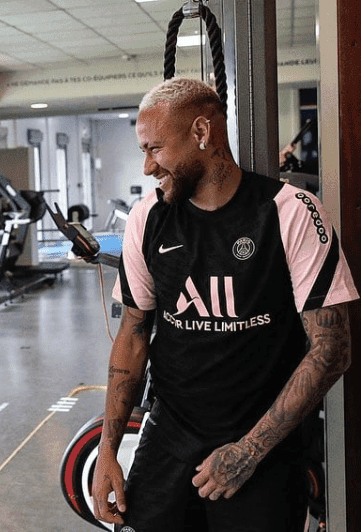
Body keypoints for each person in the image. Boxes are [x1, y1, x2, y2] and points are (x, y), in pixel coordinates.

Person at [92, 77, 357, 532]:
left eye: (155, 149)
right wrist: (107, 451)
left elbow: (332, 347)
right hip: (170, 437)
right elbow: (133, 334)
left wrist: (248, 451)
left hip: (263, 446)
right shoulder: (147, 218)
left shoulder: (291, 211)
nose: (147, 167)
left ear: (201, 132)